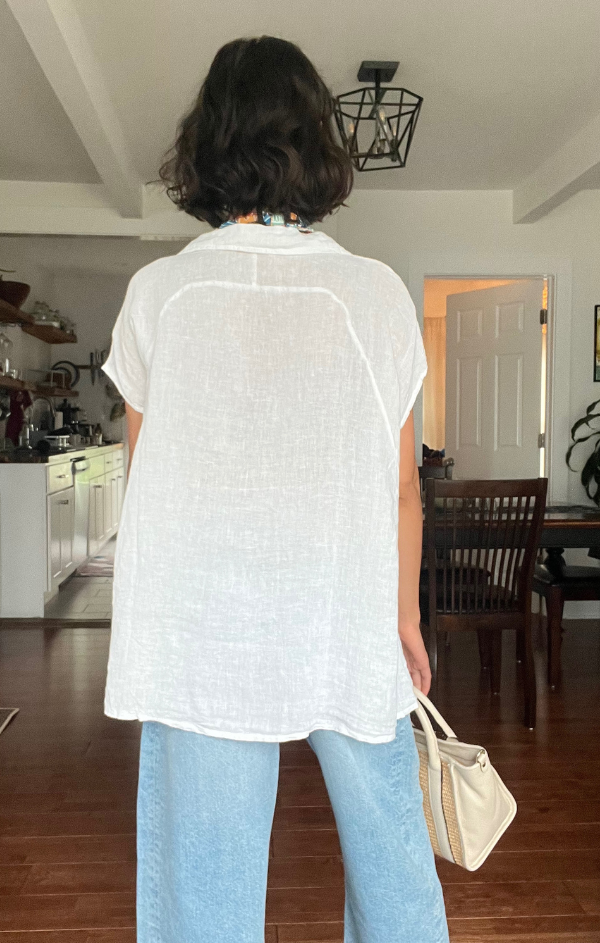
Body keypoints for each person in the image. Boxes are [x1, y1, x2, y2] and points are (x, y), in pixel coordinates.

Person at [102, 35, 449, 943]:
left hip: (202, 626)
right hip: (345, 610)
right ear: (318, 140)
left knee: (202, 882)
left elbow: (149, 480)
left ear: (208, 141)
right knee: (392, 854)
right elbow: (400, 489)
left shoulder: (159, 293)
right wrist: (404, 619)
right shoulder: (376, 295)